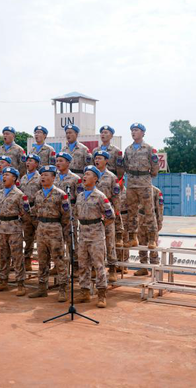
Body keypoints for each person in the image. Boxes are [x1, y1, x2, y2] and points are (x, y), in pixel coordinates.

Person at [73, 166, 115, 308]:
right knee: (83, 265)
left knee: (98, 265)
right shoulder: (79, 195)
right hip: (82, 233)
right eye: (84, 174)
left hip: (96, 234)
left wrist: (100, 225)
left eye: (88, 174)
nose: (84, 176)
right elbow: (76, 213)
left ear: (95, 179)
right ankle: (84, 292)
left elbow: (110, 216)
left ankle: (101, 294)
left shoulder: (100, 196)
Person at [28, 165, 70, 301]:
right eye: (42, 175)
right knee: (42, 260)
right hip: (41, 229)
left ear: (53, 177)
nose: (43, 177)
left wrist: (60, 228)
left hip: (55, 228)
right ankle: (42, 287)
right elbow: (34, 213)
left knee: (59, 259)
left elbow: (66, 215)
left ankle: (63, 288)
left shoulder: (61, 194)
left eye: (46, 175)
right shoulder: (38, 194)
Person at [0, 167, 31, 296]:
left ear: (14, 178)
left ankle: (20, 284)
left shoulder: (20, 195)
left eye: (7, 175)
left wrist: (21, 226)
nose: (4, 177)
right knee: (2, 255)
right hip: (1, 228)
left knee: (17, 257)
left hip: (14, 228)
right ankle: (3, 281)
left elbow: (26, 214)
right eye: (3, 175)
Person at [123, 123, 159, 248]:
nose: (133, 132)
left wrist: (147, 176)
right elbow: (126, 166)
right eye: (132, 130)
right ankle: (133, 238)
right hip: (132, 183)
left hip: (144, 183)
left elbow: (155, 167)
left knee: (149, 211)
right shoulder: (128, 149)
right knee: (132, 212)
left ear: (143, 133)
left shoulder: (149, 148)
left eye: (136, 130)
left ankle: (151, 239)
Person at [93, 150, 121, 282]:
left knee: (110, 241)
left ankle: (112, 268)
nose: (97, 160)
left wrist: (116, 212)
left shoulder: (111, 177)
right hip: (93, 212)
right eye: (96, 158)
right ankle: (96, 268)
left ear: (106, 161)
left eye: (100, 158)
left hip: (107, 211)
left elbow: (116, 196)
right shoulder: (91, 175)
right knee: (94, 242)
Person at [54, 151, 83, 271]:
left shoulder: (75, 179)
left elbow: (79, 198)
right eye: (57, 161)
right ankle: (58, 265)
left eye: (61, 161)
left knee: (71, 240)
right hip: (55, 212)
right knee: (56, 240)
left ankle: (75, 266)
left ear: (68, 163)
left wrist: (75, 214)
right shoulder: (53, 176)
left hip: (70, 212)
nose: (58, 163)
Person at [134, 185, 164, 277]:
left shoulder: (156, 191)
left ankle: (154, 268)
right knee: (142, 245)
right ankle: (143, 267)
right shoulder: (138, 190)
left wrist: (159, 221)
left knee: (153, 245)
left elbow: (160, 207)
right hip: (141, 220)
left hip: (152, 220)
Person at [19, 154, 42, 271]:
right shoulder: (23, 178)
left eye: (31, 161)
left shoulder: (40, 178)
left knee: (41, 239)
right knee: (27, 238)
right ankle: (27, 261)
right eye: (27, 161)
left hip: (37, 211)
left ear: (37, 164)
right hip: (26, 212)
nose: (28, 163)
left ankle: (43, 263)